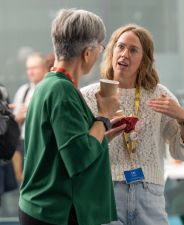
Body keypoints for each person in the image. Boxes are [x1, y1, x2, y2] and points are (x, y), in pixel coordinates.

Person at [81, 24, 184, 225]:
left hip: (149, 195)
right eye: (120, 47)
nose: (124, 54)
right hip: (105, 192)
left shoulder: (158, 95)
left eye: (133, 50)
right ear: (111, 51)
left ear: (144, 59)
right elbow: (79, 151)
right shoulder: (88, 96)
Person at [19, 9, 126, 225]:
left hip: (40, 207)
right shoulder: (62, 91)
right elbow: (77, 158)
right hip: (55, 212)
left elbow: (62, 147)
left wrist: (102, 132)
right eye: (100, 47)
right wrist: (103, 116)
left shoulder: (48, 85)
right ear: (87, 53)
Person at [12, 52, 47, 183]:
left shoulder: (50, 90)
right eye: (28, 68)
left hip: (43, 144)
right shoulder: (23, 90)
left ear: (44, 69)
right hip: (23, 144)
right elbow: (15, 120)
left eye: (34, 68)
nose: (30, 72)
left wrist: (33, 110)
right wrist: (19, 117)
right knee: (22, 183)